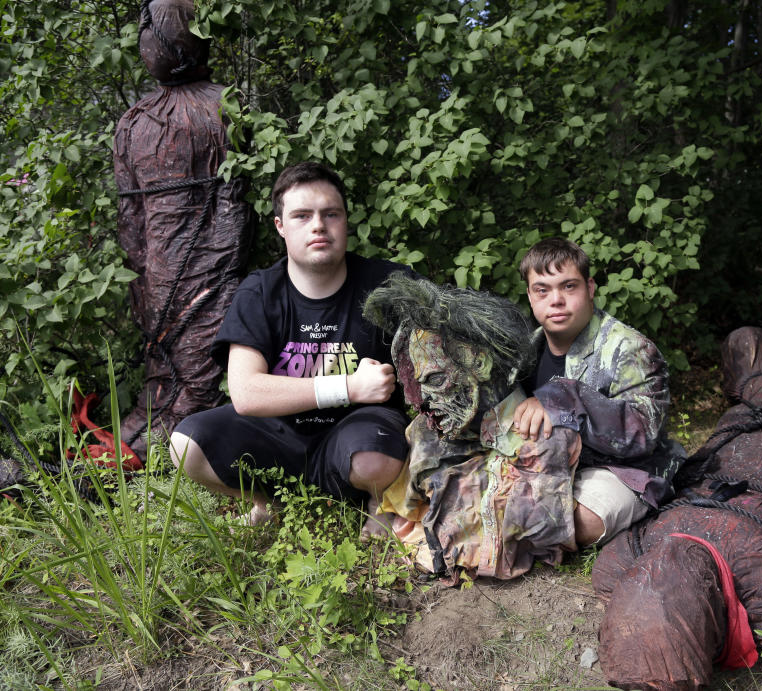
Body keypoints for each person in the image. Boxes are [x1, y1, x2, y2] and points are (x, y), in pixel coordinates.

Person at [169, 162, 410, 534]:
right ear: (280, 226)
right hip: (280, 434)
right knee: (187, 443)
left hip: (360, 429)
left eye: (331, 213)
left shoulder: (388, 284)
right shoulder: (260, 292)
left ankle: (380, 499)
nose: (318, 225)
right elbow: (247, 393)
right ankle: (272, 501)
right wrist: (348, 386)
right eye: (302, 215)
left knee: (372, 457)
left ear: (345, 221)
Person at [362, 275, 581, 582]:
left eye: (437, 381)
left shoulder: (543, 440)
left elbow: (531, 537)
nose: (423, 403)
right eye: (418, 386)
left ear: (479, 364)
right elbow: (401, 508)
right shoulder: (428, 433)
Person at [115, 0, 253, 462]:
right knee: (168, 351)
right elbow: (132, 219)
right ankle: (169, 427)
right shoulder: (140, 120)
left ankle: (198, 431)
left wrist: (221, 268)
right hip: (166, 270)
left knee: (202, 352)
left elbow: (236, 204)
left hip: (203, 268)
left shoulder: (219, 106)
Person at [514, 238, 684, 545]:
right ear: (530, 295)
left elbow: (643, 435)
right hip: (548, 464)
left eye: (568, 286)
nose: (556, 300)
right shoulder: (524, 350)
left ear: (589, 288)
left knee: (581, 521)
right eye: (542, 289)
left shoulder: (630, 348)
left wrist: (563, 399)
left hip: (619, 469)